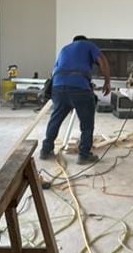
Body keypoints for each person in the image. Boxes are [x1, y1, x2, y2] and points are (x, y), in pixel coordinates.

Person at [40, 36, 111, 164]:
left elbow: (53, 72)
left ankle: (46, 150)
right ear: (84, 41)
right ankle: (84, 155)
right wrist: (107, 82)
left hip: (58, 87)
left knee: (55, 119)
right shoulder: (88, 45)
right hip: (79, 88)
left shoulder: (64, 49)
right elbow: (102, 59)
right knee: (87, 123)